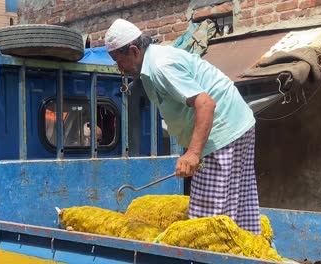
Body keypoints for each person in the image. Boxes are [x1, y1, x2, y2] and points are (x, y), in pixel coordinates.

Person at [104, 19, 260, 234]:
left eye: (118, 61)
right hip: (238, 123)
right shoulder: (152, 64)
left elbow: (206, 103)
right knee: (236, 204)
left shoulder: (160, 66)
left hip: (223, 130)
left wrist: (194, 153)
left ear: (133, 50)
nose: (119, 68)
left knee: (206, 220)